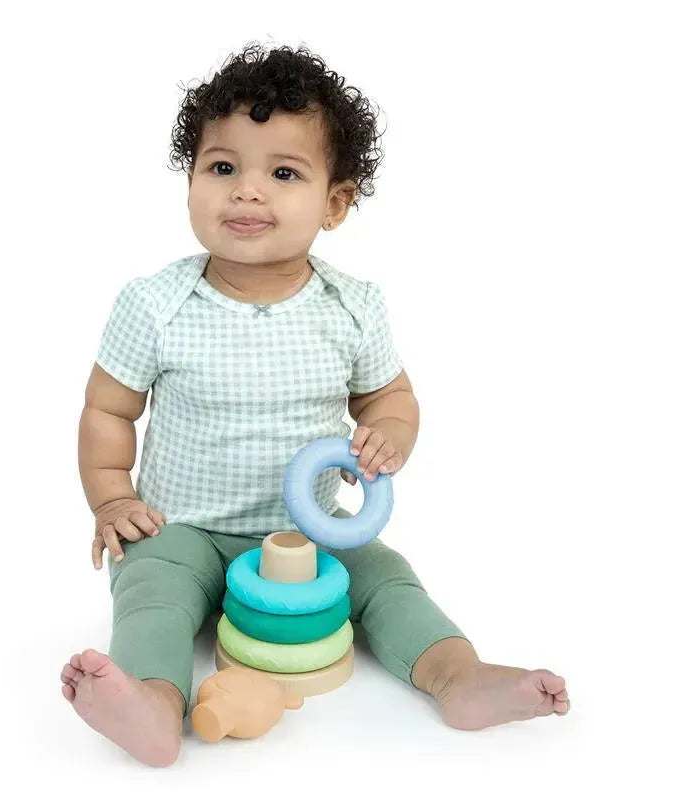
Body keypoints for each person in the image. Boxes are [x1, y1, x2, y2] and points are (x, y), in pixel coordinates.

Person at [59, 42, 570, 767]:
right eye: (222, 167)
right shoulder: (155, 304)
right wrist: (112, 498)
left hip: (312, 531)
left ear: (335, 203)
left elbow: (389, 396)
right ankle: (152, 703)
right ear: (191, 179)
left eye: (283, 173)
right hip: (181, 525)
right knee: (152, 595)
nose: (246, 191)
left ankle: (458, 676)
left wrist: (388, 434)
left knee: (387, 580)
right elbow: (109, 410)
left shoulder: (352, 307)